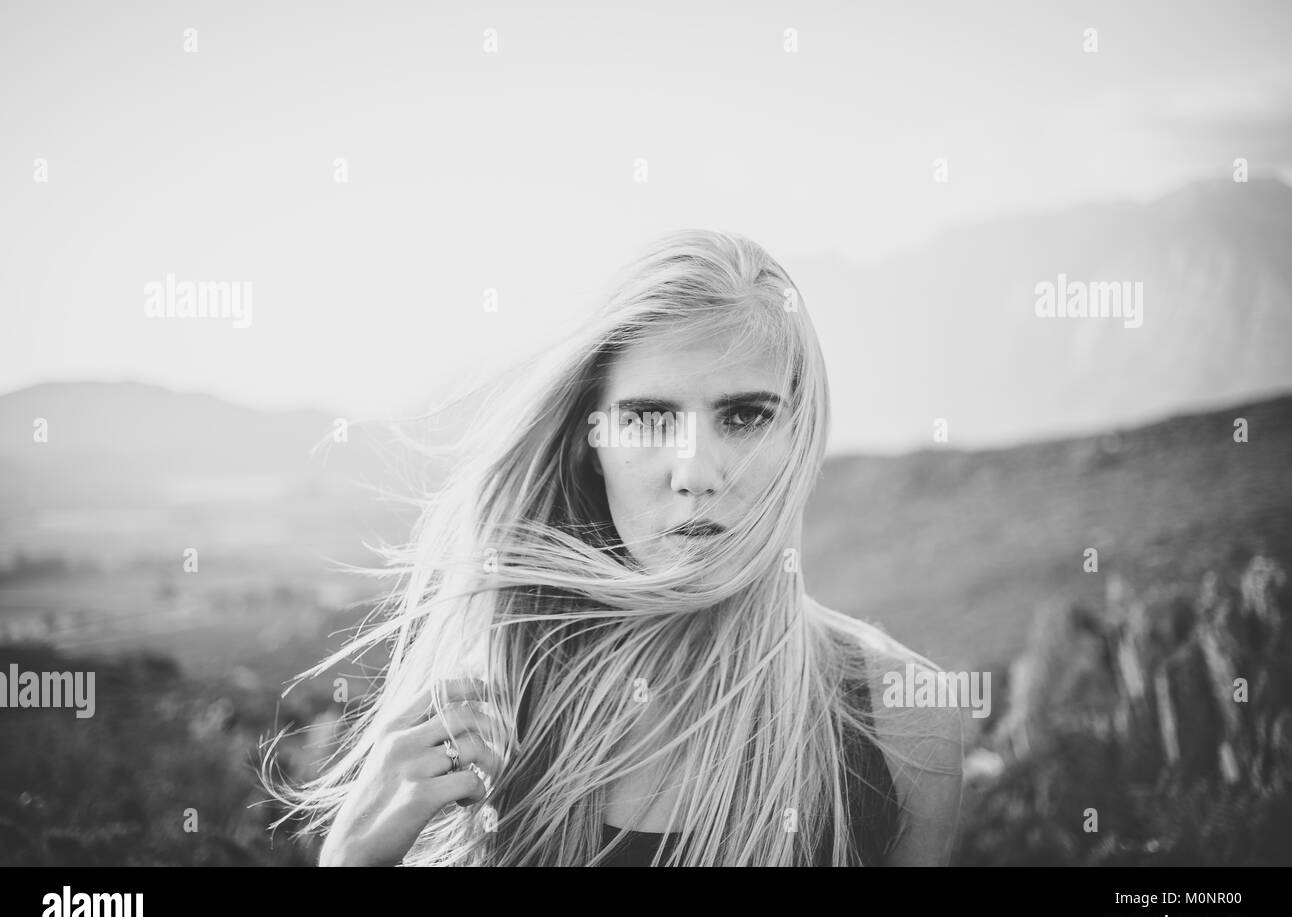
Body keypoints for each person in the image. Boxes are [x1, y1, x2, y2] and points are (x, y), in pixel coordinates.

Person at [262, 228, 964, 866]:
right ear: (590, 444)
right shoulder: (494, 716)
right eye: (651, 418)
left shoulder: (902, 726)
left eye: (746, 416)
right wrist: (352, 859)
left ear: (802, 438)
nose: (695, 473)